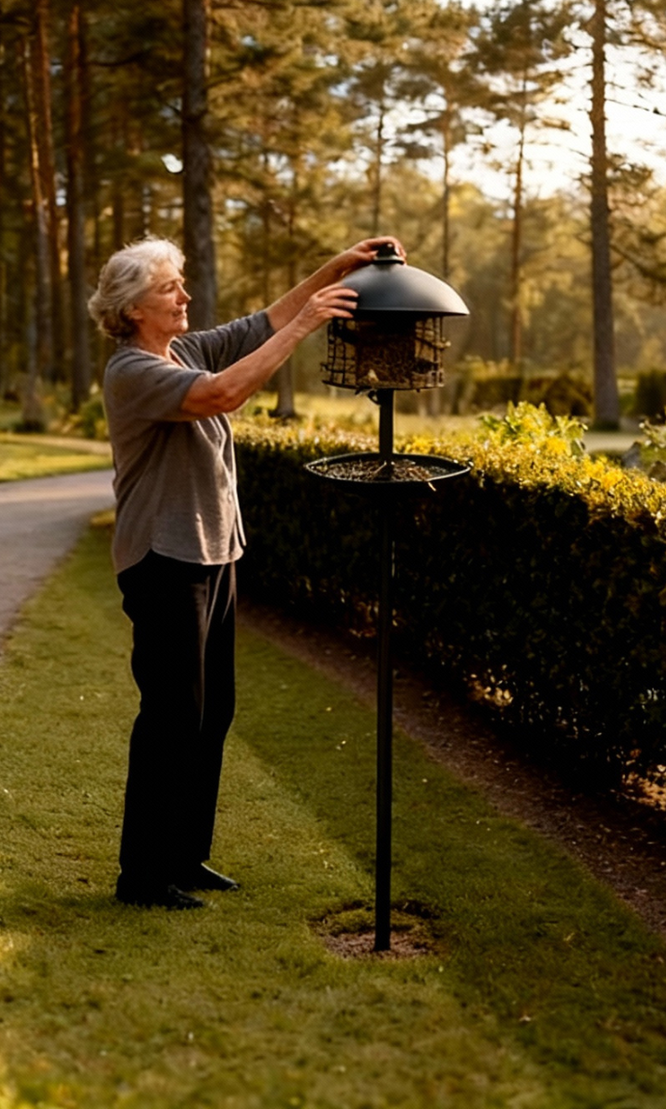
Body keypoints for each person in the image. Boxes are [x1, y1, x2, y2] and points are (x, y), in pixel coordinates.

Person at [89, 234, 402, 909]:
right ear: (134, 305)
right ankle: (141, 875)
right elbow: (223, 393)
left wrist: (337, 266)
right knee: (172, 715)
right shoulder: (132, 371)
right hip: (163, 558)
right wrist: (308, 322)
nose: (185, 296)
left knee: (211, 711)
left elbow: (260, 320)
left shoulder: (181, 348)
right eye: (171, 287)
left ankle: (184, 855)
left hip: (211, 553)